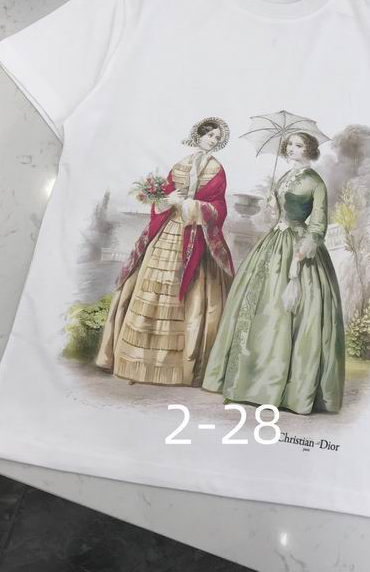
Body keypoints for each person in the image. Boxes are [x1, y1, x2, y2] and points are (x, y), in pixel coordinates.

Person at [203, 132, 344, 414]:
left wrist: (303, 250)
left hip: (297, 246)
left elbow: (318, 224)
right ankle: (248, 380)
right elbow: (276, 216)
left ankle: (284, 388)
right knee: (258, 308)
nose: (291, 149)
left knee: (288, 315)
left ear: (309, 149)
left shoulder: (314, 181)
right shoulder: (286, 176)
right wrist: (272, 206)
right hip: (273, 242)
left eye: (298, 145)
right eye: (289, 144)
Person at [96, 117, 234, 386]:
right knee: (150, 286)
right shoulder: (181, 164)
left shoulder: (216, 169)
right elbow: (164, 197)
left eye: (217, 139)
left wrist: (192, 206)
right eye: (209, 136)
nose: (212, 141)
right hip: (168, 230)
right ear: (198, 135)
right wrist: (167, 200)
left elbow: (219, 206)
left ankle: (179, 369)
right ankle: (137, 364)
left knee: (188, 296)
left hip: (194, 233)